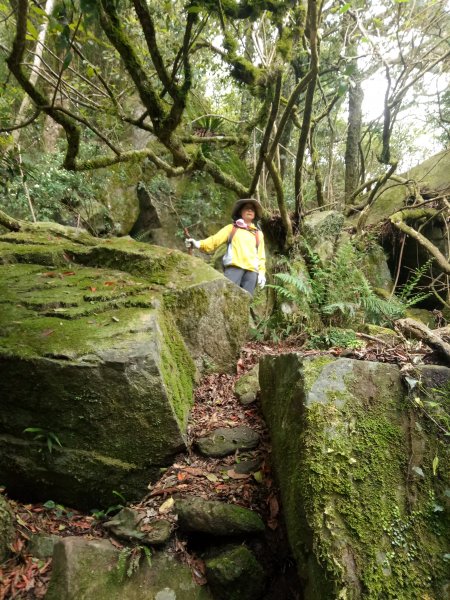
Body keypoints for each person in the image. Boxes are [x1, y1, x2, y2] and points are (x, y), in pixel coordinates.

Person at [185, 198, 266, 296]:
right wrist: (198, 243)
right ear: (241, 212)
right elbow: (215, 240)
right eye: (247, 208)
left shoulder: (258, 234)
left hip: (251, 273)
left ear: (255, 214)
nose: (250, 210)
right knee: (228, 297)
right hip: (234, 268)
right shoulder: (232, 228)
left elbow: (261, 257)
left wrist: (262, 273)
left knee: (246, 303)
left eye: (252, 209)